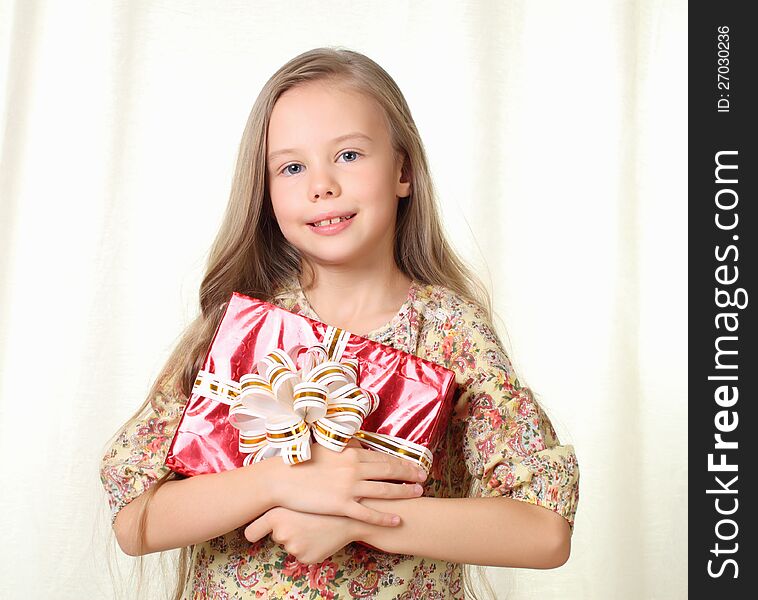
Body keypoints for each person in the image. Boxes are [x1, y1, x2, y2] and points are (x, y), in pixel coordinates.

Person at [100, 46, 579, 600]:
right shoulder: (242, 330)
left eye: (349, 155)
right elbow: (134, 520)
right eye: (292, 166)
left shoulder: (449, 330)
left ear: (402, 170)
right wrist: (280, 481)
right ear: (266, 188)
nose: (321, 184)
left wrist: (357, 516)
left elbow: (545, 532)